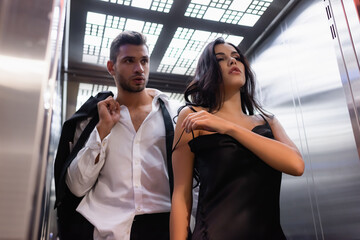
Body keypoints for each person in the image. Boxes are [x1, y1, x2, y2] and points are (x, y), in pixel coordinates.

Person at [170, 37, 305, 240]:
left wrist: (229, 128)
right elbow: (181, 196)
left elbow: (296, 165)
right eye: (221, 59)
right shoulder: (192, 116)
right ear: (208, 71)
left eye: (236, 57)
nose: (233, 61)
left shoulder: (268, 121)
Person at [66, 30, 181, 240]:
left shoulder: (175, 113)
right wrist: (103, 130)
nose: (139, 69)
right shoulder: (93, 120)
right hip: (107, 230)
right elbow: (76, 186)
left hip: (164, 227)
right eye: (129, 61)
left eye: (144, 61)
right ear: (112, 67)